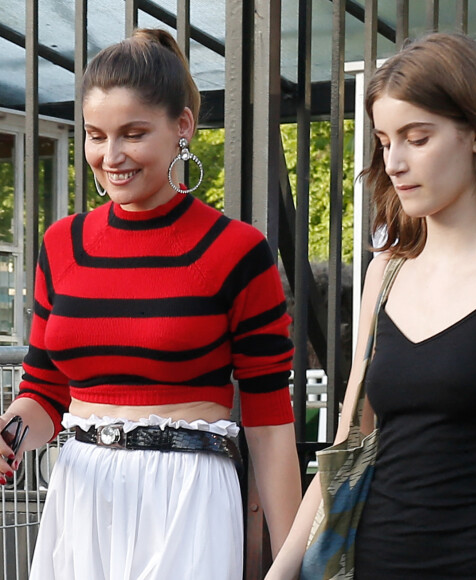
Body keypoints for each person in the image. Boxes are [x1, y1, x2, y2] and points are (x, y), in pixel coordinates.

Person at [266, 32, 476, 579]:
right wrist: (279, 573)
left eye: (418, 137)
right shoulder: (385, 274)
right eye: (386, 141)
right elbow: (346, 449)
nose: (395, 162)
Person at [0, 28, 301, 580]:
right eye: (95, 135)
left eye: (132, 134)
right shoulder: (61, 245)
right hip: (79, 495)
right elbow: (44, 392)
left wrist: (292, 563)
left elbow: (268, 419)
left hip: (187, 500)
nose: (110, 156)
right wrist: (8, 436)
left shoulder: (237, 251)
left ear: (182, 127)